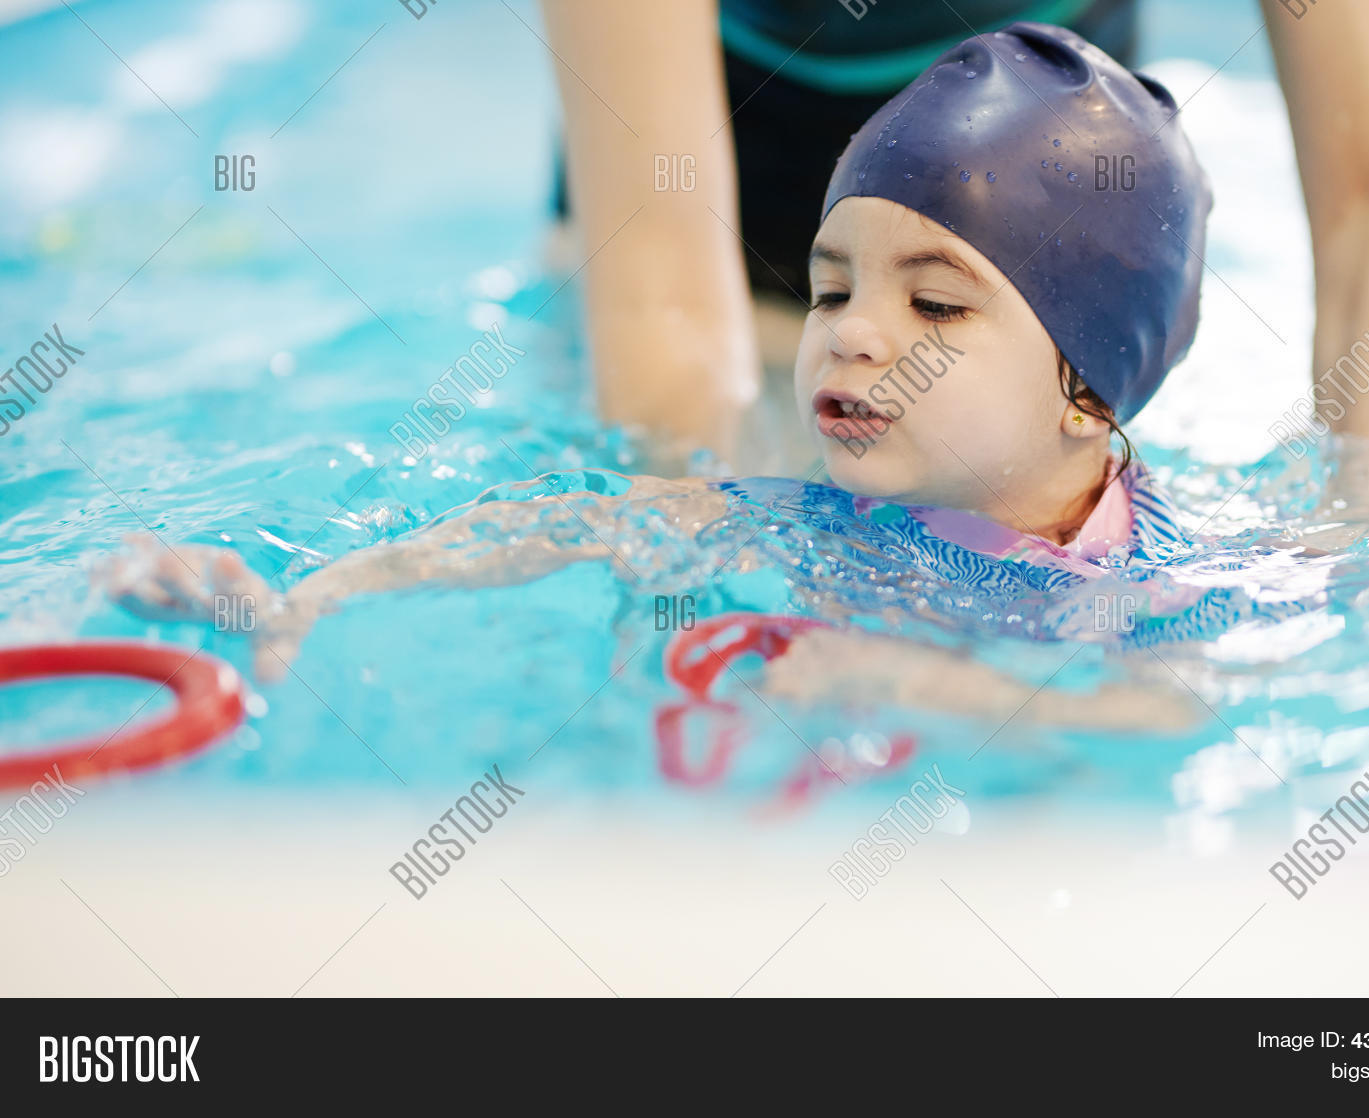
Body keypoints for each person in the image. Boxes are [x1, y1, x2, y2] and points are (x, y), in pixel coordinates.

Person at [105, 27, 1257, 728]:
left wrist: (933, 686)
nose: (851, 335)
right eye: (832, 287)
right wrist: (312, 587)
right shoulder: (817, 517)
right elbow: (563, 528)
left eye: (937, 302)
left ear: (1089, 392)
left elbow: (1169, 709)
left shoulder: (1150, 573)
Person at [539, 0, 1369, 493]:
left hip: (1065, 257)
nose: (863, 329)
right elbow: (659, 275)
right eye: (845, 300)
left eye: (933, 305)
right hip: (719, 260)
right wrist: (687, 530)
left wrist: (1368, 524)